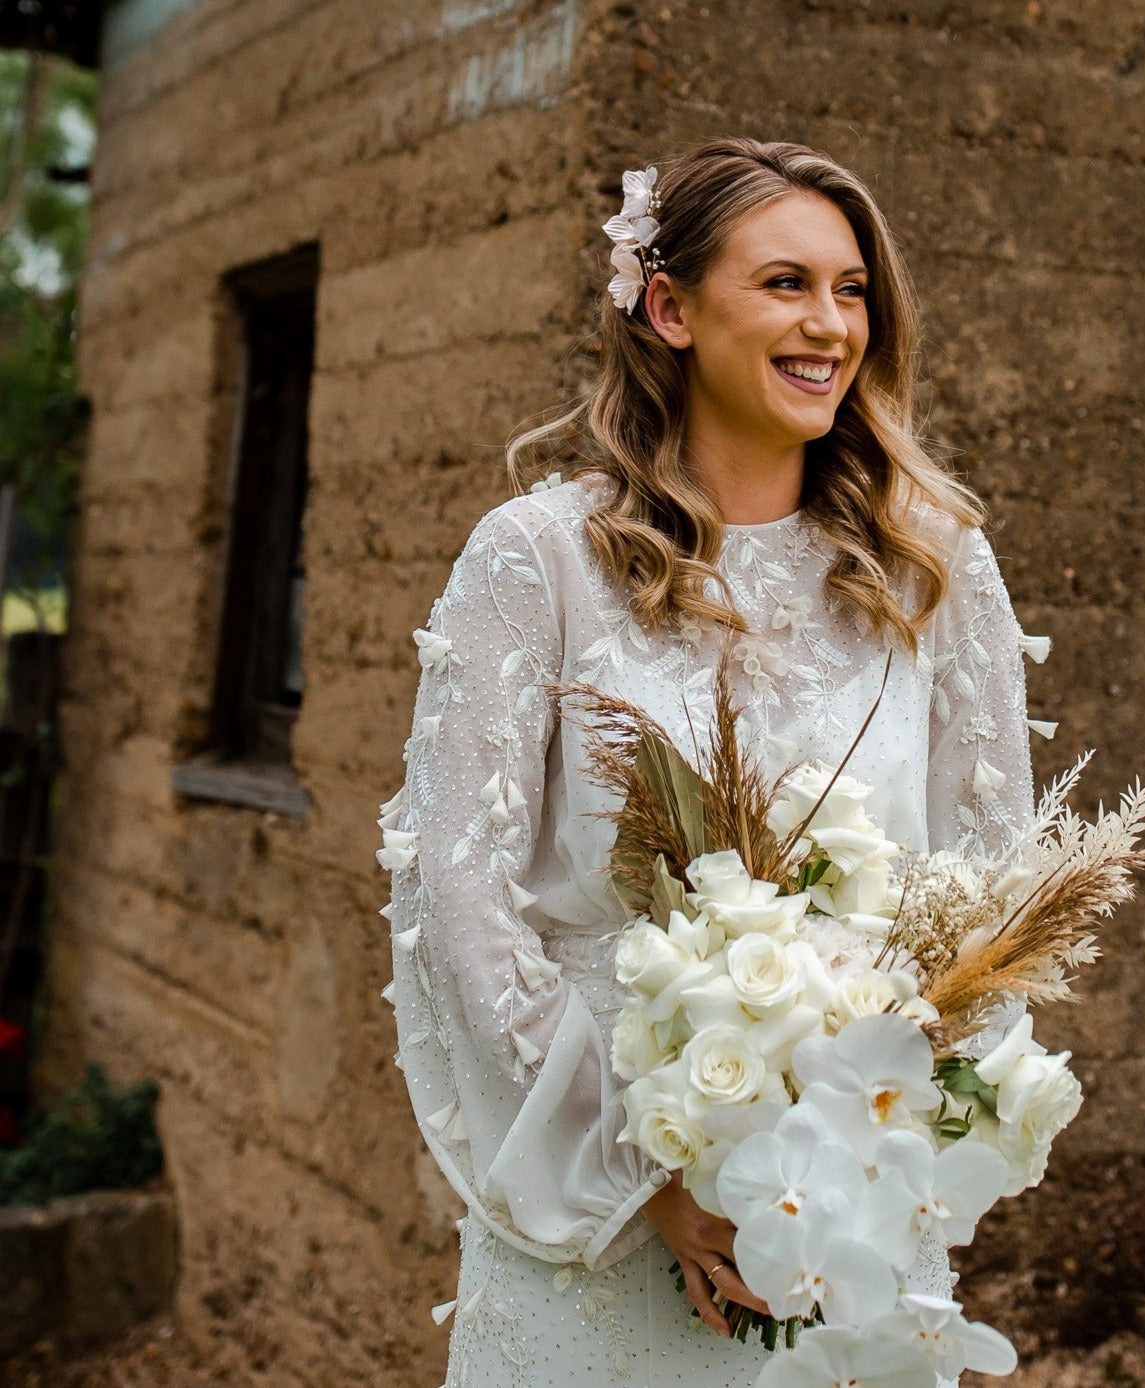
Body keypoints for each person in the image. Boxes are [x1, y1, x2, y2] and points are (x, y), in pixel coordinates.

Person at [375, 137, 1051, 1387]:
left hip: (850, 1215)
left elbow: (989, 885)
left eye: (851, 291)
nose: (830, 324)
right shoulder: (539, 560)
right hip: (603, 1207)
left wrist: (860, 1140)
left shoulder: (932, 568)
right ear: (669, 306)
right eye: (786, 283)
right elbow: (460, 905)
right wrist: (651, 1180)